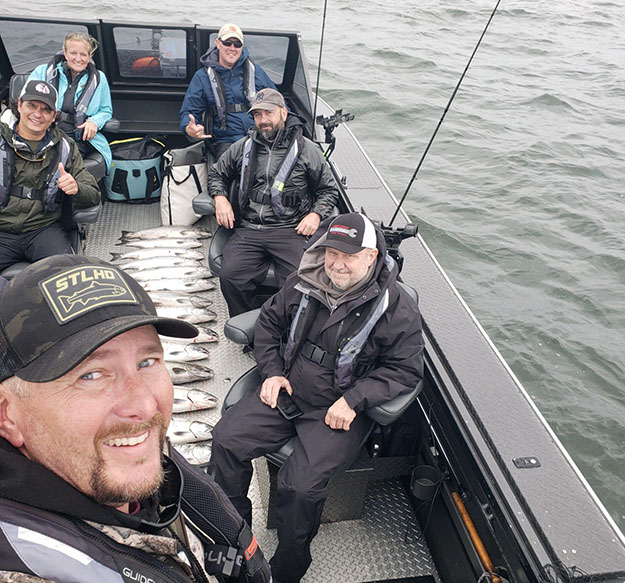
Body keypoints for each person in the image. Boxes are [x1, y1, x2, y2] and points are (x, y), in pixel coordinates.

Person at [0, 254, 272, 583]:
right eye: (91, 375)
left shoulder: (121, 453)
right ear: (7, 416)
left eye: (147, 362)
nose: (144, 405)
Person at [208, 213, 425, 583]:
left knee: (300, 487)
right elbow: (270, 323)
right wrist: (273, 370)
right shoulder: (303, 280)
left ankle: (287, 569)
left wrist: (356, 399)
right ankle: (233, 537)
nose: (337, 263)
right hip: (288, 388)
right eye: (331, 252)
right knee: (226, 441)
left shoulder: (397, 306)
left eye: (350, 256)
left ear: (371, 257)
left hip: (338, 410)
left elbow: (405, 370)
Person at [208, 88, 339, 316]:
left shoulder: (308, 150)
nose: (263, 120)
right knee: (230, 275)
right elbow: (216, 174)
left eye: (268, 113)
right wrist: (220, 198)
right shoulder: (242, 147)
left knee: (301, 280)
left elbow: (329, 190)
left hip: (290, 230)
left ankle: (284, 326)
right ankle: (248, 325)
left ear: (283, 113)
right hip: (249, 229)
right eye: (258, 115)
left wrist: (316, 214)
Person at [0, 80, 101, 272]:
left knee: (72, 276)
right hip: (2, 230)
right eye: (32, 105)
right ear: (19, 105)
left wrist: (76, 188)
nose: (37, 114)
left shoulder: (65, 147)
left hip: (43, 230)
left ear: (54, 116)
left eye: (46, 110)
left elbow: (93, 194)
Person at [179, 23, 277, 159]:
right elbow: (189, 112)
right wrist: (190, 128)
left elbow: (276, 101)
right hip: (225, 141)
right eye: (228, 43)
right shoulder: (202, 76)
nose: (232, 48)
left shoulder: (255, 71)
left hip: (259, 135)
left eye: (237, 44)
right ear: (218, 43)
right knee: (235, 171)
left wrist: (291, 121)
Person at [29, 31, 113, 171]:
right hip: (44, 131)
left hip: (77, 137)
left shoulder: (100, 79)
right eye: (73, 53)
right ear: (65, 53)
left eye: (83, 54)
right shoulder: (42, 72)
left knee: (65, 165)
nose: (78, 59)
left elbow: (106, 110)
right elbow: (27, 103)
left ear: (90, 56)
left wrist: (94, 122)